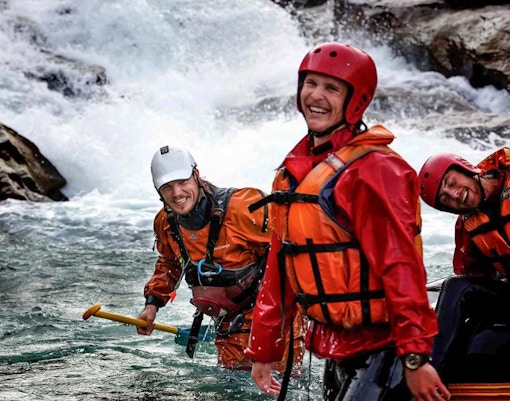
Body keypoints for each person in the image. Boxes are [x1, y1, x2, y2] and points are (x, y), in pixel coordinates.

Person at [244, 41, 449, 401]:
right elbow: (280, 270)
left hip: (386, 350)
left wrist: (415, 357)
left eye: (331, 88)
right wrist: (264, 349)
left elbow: (400, 268)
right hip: (336, 347)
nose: (316, 96)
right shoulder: (292, 174)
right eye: (310, 84)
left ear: (355, 101)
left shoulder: (374, 170)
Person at [136, 145, 306, 371]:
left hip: (273, 316)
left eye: (183, 182)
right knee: (233, 388)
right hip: (230, 322)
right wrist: (153, 304)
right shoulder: (166, 223)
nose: (177, 193)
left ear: (196, 175)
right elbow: (169, 263)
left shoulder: (245, 207)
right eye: (167, 187)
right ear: (158, 190)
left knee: (277, 388)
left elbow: (296, 242)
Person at [418, 149, 510, 383]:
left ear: (466, 168)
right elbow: (473, 277)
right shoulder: (468, 229)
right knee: (457, 288)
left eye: (451, 183)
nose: (454, 195)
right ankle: (434, 375)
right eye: (445, 200)